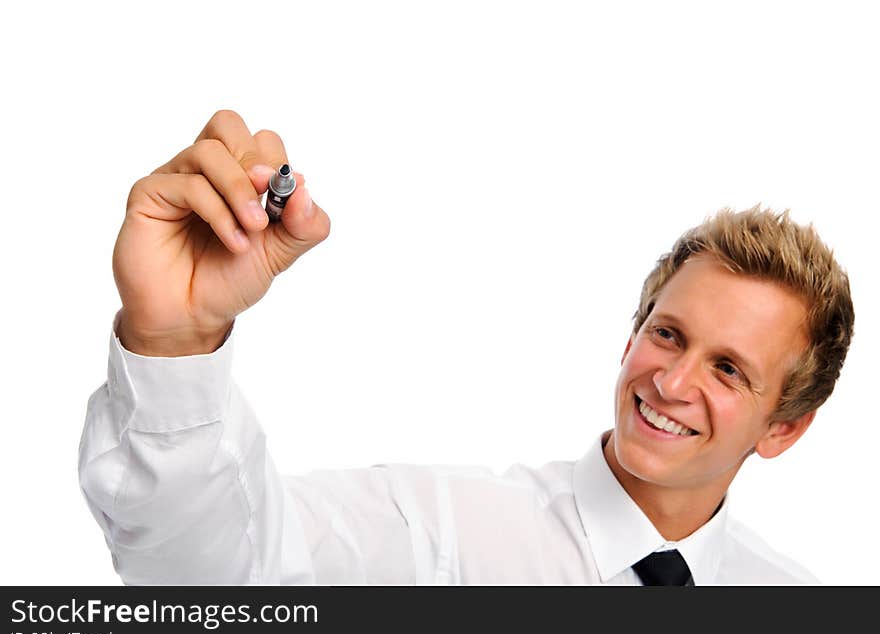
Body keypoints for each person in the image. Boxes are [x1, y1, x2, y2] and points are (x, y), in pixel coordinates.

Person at [78, 110, 854, 585]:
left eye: (727, 369)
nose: (673, 381)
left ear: (783, 426)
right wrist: (173, 340)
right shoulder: (435, 534)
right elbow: (210, 586)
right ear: (631, 337)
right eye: (668, 334)